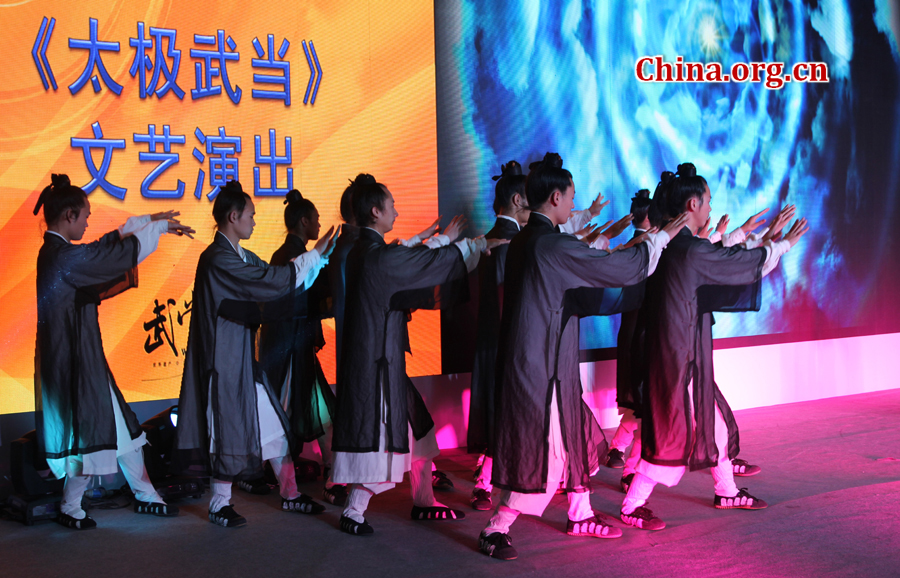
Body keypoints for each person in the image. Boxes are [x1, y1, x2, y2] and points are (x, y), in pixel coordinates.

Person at [478, 154, 686, 561]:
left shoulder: (529, 240)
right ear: (555, 197)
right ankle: (497, 525)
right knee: (547, 450)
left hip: (549, 354)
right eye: (571, 198)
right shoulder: (548, 243)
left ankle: (580, 512)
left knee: (570, 438)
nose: (573, 206)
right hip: (539, 361)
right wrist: (656, 241)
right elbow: (609, 268)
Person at [620, 163, 807, 531]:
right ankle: (632, 504)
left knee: (712, 425)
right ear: (692, 204)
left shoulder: (676, 244)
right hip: (676, 352)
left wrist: (766, 239)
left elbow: (722, 257)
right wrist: (781, 244)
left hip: (677, 347)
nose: (709, 209)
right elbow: (734, 264)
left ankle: (726, 490)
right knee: (672, 434)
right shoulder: (686, 248)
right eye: (707, 202)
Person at [331, 174, 506, 535]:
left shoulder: (367, 251)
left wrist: (454, 243)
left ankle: (421, 500)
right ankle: (354, 510)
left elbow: (408, 258)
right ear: (376, 211)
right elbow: (415, 263)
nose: (396, 210)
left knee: (419, 431)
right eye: (392, 204)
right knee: (381, 445)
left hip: (383, 361)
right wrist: (471, 246)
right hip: (377, 366)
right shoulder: (374, 255)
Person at [172, 180, 338, 527]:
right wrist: (312, 258)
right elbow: (268, 280)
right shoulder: (217, 258)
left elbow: (272, 281)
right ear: (233, 216)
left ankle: (290, 494)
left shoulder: (239, 256)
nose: (254, 221)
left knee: (275, 429)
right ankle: (219, 504)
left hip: (242, 360)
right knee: (227, 431)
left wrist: (312, 262)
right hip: (224, 362)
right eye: (250, 215)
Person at [33, 174, 194, 529]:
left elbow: (99, 251)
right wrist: (154, 230)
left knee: (120, 429)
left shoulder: (59, 252)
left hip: (81, 356)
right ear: (68, 216)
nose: (89, 220)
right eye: (85, 214)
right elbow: (102, 256)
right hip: (74, 360)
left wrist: (148, 223)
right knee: (92, 433)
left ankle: (142, 495)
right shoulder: (61, 256)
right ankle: (73, 505)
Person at [259, 190, 347, 505]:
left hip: (294, 349)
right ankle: (292, 488)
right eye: (316, 220)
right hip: (288, 352)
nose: (320, 224)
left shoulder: (287, 255)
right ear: (304, 221)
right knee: (282, 418)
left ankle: (332, 473)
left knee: (319, 412)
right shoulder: (290, 257)